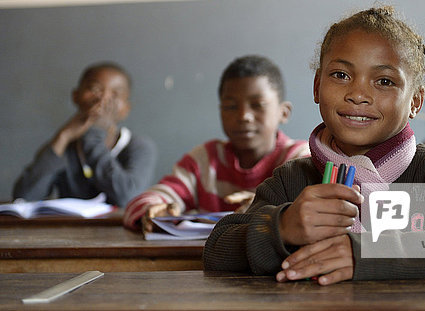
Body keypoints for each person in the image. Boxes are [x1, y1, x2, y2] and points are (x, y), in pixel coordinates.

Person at [203, 6, 425, 286]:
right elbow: (218, 248)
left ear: (416, 102)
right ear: (317, 86)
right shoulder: (294, 180)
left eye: (385, 81)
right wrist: (283, 227)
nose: (358, 94)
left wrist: (371, 251)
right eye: (341, 76)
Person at [123, 55, 310, 232]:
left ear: (283, 112)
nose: (243, 116)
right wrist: (156, 210)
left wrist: (263, 206)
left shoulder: (300, 159)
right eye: (230, 107)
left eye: (257, 105)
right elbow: (145, 200)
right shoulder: (205, 160)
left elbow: (312, 210)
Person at [13, 62, 157, 208]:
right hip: (67, 229)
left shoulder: (139, 146)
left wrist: (94, 133)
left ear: (125, 109)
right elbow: (24, 197)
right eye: (95, 89)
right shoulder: (65, 145)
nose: (103, 99)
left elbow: (127, 198)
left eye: (115, 94)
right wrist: (63, 136)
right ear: (76, 96)